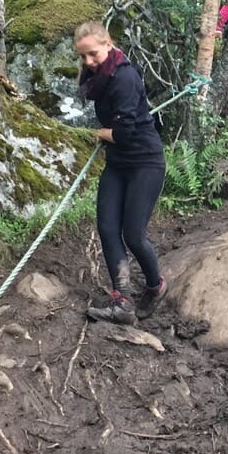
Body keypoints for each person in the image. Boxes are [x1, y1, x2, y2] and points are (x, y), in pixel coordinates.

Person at [74, 20, 167, 324]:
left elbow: (125, 133)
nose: (88, 62)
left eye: (93, 54)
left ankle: (156, 286)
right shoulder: (99, 76)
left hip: (145, 161)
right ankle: (122, 301)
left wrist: (100, 134)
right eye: (83, 56)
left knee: (133, 234)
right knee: (107, 228)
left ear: (108, 44)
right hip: (118, 163)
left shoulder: (124, 77)